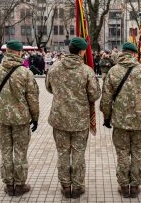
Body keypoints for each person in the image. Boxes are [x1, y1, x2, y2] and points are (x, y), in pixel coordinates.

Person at [100, 42, 141, 198]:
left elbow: (106, 99)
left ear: (122, 53)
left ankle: (123, 186)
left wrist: (107, 118)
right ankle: (134, 186)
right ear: (135, 54)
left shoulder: (113, 71)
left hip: (120, 122)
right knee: (138, 154)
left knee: (122, 153)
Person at [46, 37, 101, 199]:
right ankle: (77, 187)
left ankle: (65, 186)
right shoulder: (86, 71)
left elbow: (49, 88)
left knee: (63, 153)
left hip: (59, 119)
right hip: (80, 120)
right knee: (78, 154)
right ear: (82, 51)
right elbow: (95, 94)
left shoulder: (55, 68)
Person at [0, 40, 39, 196]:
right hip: (21, 119)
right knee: (20, 152)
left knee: (6, 151)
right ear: (19, 52)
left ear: (7, 51)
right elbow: (33, 99)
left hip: (2, 118)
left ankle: (9, 184)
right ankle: (20, 185)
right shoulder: (25, 72)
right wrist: (35, 118)